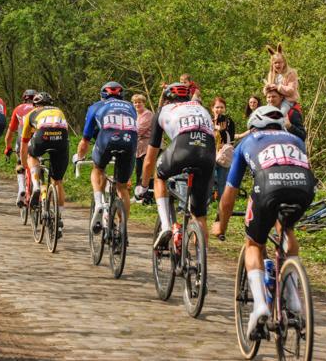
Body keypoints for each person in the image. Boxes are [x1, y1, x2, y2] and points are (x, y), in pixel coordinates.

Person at [212, 105, 315, 339]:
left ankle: (260, 305)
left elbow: (229, 194)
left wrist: (221, 224)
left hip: (269, 187)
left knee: (254, 245)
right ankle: (293, 298)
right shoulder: (295, 140)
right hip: (304, 186)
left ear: (252, 126)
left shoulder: (247, 142)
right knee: (287, 229)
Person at [135, 83, 215, 249]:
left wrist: (143, 187)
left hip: (183, 148)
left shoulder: (162, 111)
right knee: (199, 215)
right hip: (208, 153)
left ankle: (165, 226)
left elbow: (150, 158)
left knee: (159, 176)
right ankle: (201, 262)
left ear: (166, 99)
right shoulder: (201, 108)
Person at [74, 81, 138, 233]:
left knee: (98, 168)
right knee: (122, 187)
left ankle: (99, 204)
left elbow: (85, 140)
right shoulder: (131, 107)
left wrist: (79, 157)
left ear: (102, 95)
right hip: (130, 143)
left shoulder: (95, 107)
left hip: (107, 140)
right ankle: (122, 230)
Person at [20, 92, 68, 237]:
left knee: (32, 155)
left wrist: (25, 164)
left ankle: (35, 185)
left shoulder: (32, 114)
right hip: (61, 139)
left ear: (35, 105)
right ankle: (59, 218)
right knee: (58, 181)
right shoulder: (59, 111)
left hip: (42, 136)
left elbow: (24, 143)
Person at [4, 89, 37, 206]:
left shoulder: (18, 109)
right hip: (38, 139)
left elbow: (10, 132)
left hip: (22, 139)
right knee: (35, 161)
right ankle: (37, 181)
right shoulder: (39, 109)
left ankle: (22, 188)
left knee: (20, 162)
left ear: (24, 98)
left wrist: (7, 147)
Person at [263, 43, 299, 117]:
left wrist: (277, 87)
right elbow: (267, 92)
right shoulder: (271, 75)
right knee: (264, 114)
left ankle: (283, 127)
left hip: (287, 100)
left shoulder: (290, 73)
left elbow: (291, 90)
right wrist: (267, 89)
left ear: (284, 63)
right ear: (272, 64)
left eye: (279, 63)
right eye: (275, 63)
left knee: (281, 114)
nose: (277, 65)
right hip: (274, 100)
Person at [211, 97, 235, 200]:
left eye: (222, 107)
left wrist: (221, 130)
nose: (219, 109)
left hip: (223, 154)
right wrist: (214, 125)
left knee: (223, 181)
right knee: (208, 180)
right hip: (210, 154)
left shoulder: (229, 121)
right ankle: (206, 203)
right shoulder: (208, 121)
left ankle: (223, 203)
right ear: (212, 108)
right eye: (217, 107)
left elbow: (231, 138)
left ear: (225, 108)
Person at [132, 94, 154, 189]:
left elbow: (139, 130)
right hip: (138, 146)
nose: (137, 104)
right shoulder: (134, 114)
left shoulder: (147, 114)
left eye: (139, 102)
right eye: (135, 102)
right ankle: (138, 194)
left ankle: (148, 196)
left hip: (148, 145)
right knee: (138, 171)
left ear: (144, 103)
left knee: (147, 171)